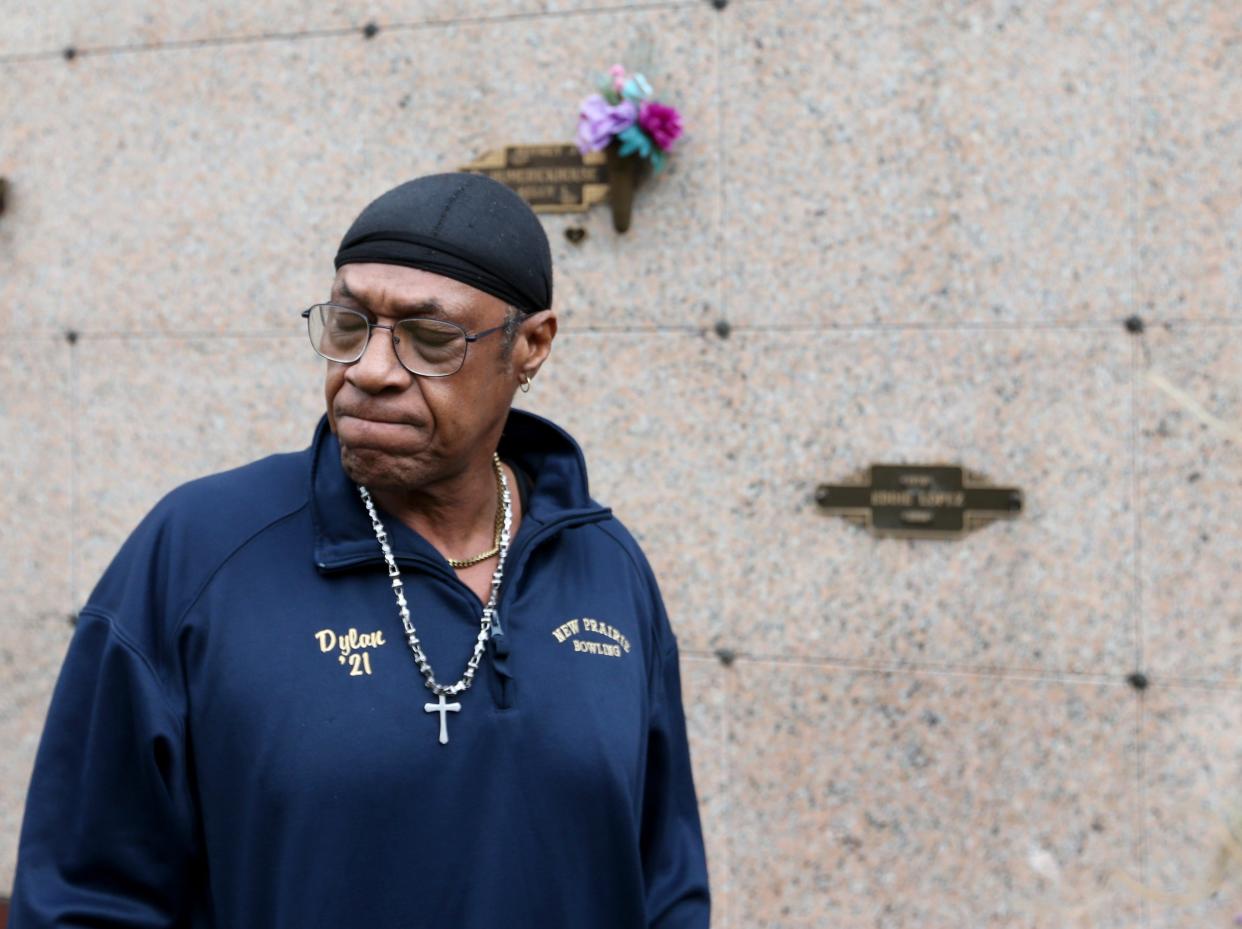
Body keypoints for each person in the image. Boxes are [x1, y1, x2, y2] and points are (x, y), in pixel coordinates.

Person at [11, 173, 711, 928]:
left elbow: (665, 881)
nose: (370, 370)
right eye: (349, 324)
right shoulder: (197, 555)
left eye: (431, 338)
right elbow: (84, 897)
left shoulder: (606, 567)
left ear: (531, 345)